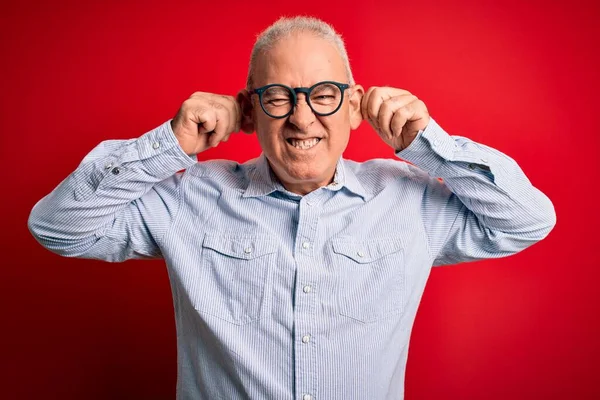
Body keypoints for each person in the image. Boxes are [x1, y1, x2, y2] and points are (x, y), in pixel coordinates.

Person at [28, 15, 556, 400]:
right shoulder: (190, 197)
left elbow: (527, 219)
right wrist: (172, 142)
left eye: (323, 94)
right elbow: (57, 227)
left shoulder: (408, 200)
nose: (303, 121)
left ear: (353, 108)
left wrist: (427, 142)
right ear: (249, 112)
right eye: (279, 97)